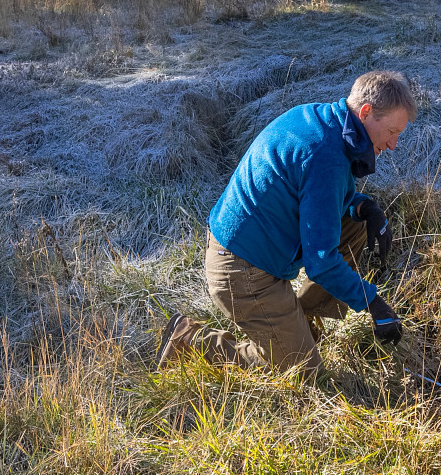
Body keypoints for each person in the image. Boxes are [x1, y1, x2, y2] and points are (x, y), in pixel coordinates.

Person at [159, 70, 414, 372]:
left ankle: (300, 319)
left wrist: (363, 209)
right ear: (366, 112)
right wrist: (375, 304)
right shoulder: (325, 155)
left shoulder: (322, 121)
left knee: (355, 226)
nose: (394, 144)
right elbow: (322, 262)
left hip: (250, 251)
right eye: (392, 132)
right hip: (241, 273)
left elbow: (313, 197)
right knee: (304, 370)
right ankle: (186, 338)